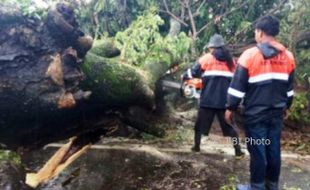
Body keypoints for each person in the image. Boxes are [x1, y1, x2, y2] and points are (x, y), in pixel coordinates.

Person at [225, 15, 295, 190]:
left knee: (258, 149)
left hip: (256, 116)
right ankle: (272, 185)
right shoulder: (288, 57)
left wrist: (230, 107)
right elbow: (289, 88)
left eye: (256, 31)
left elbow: (237, 89)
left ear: (260, 32)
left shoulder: (249, 55)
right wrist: (287, 105)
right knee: (273, 148)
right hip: (276, 114)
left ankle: (256, 187)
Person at [182, 34, 244, 158]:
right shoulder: (231, 61)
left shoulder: (206, 59)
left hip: (207, 100)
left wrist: (184, 76)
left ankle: (196, 147)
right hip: (225, 102)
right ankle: (238, 151)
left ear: (212, 48)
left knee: (199, 126)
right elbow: (237, 79)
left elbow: (192, 72)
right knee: (230, 127)